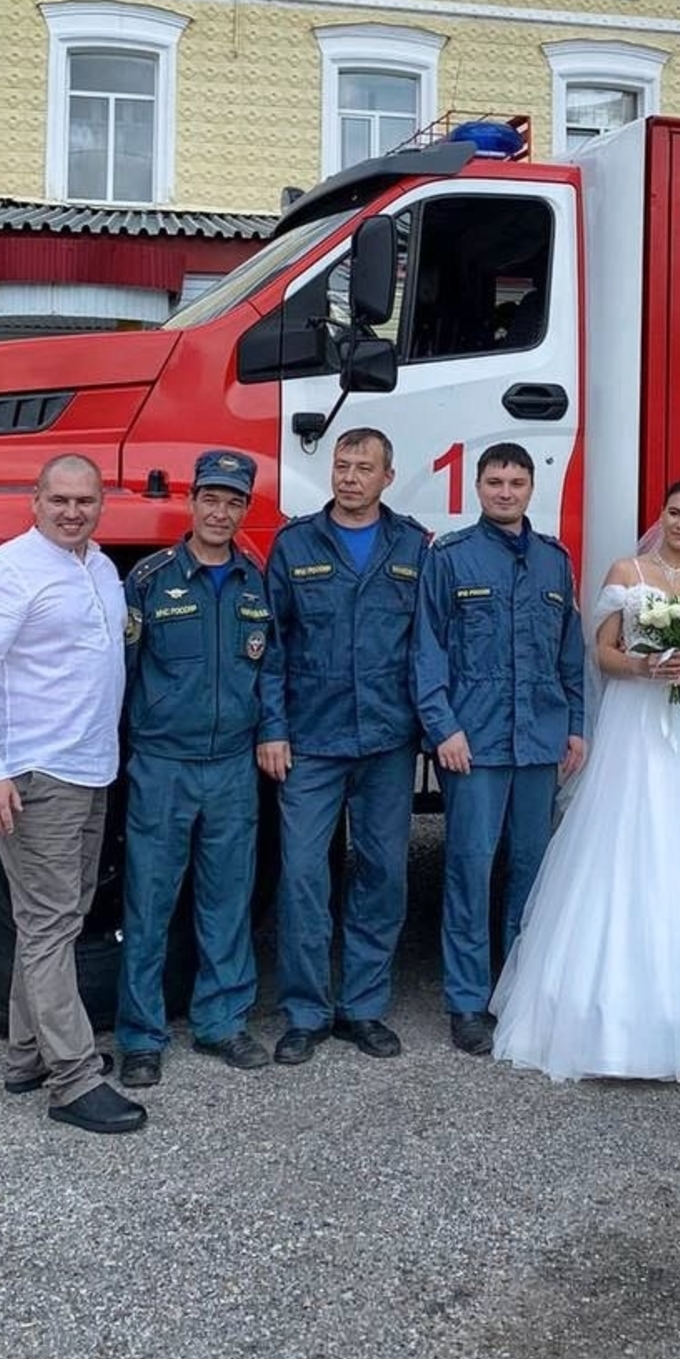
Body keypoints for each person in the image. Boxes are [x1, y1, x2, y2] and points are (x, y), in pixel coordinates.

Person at [492, 480, 680, 1084]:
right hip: (634, 718)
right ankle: (603, 1022)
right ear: (661, 517)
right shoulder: (627, 570)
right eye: (673, 512)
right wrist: (640, 664)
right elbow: (599, 649)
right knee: (622, 843)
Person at [0, 454, 142, 1135]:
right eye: (58, 499)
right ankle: (73, 1078)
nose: (72, 511)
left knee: (55, 916)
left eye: (84, 500)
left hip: (91, 768)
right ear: (34, 500)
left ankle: (28, 1054)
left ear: (100, 504)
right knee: (52, 921)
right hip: (37, 772)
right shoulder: (6, 572)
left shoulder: (99, 568)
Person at [257, 428, 428, 1064]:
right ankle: (305, 1013)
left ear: (388, 477)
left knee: (383, 875)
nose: (350, 477)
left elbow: (426, 646)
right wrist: (272, 728)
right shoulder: (295, 543)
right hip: (312, 738)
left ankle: (363, 1007)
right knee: (303, 876)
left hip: (386, 738)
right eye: (342, 465)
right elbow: (271, 644)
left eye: (364, 467)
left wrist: (430, 729)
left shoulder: (412, 544)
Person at [414, 442, 586, 1055]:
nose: (505, 491)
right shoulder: (451, 559)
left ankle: (519, 994)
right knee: (469, 871)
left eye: (515, 482)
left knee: (532, 877)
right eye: (494, 482)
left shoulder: (552, 561)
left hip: (539, 741)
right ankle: (466, 1001)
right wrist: (443, 728)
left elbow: (571, 651)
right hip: (476, 744)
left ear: (531, 488)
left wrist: (575, 724)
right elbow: (427, 651)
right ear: (478, 488)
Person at [115, 449, 272, 1088]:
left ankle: (223, 1022)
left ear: (243, 511)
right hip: (163, 766)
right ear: (192, 502)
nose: (220, 511)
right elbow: (119, 676)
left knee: (227, 901)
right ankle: (141, 1037)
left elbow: (273, 669)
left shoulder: (256, 582)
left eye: (233, 502)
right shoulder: (150, 581)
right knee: (149, 904)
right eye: (211, 498)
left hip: (233, 767)